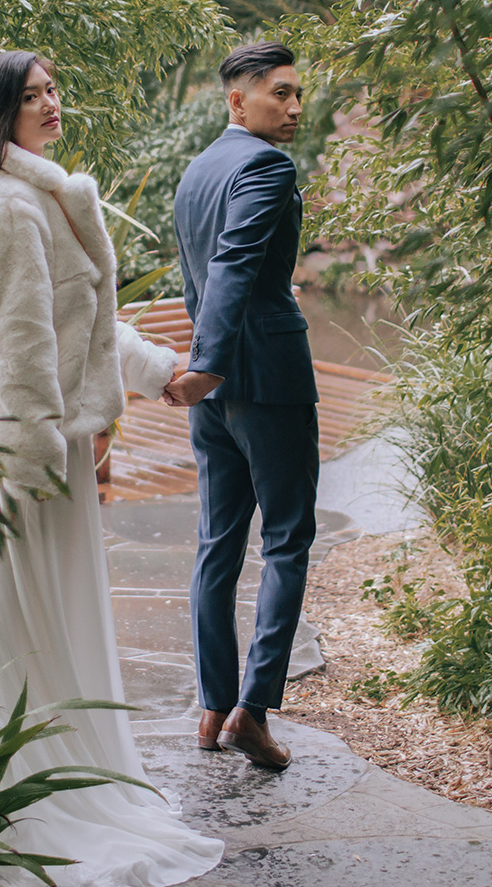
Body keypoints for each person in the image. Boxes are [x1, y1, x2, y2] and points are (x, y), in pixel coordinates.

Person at [0, 49, 225, 887]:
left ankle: (56, 767)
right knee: (24, 612)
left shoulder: (38, 198)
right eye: (32, 96)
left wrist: (161, 372)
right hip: (18, 457)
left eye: (54, 88)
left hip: (44, 449)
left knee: (53, 614)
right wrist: (33, 474)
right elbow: (21, 354)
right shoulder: (10, 213)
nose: (51, 103)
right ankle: (24, 787)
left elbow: (86, 330)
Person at [160, 42, 317, 771]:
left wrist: (204, 368)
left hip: (215, 386)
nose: (292, 109)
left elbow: (208, 272)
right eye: (279, 93)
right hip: (263, 378)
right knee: (286, 537)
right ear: (238, 100)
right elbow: (229, 267)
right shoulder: (266, 165)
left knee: (218, 540)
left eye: (296, 96)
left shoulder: (197, 169)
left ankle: (212, 703)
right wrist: (210, 365)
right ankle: (253, 709)